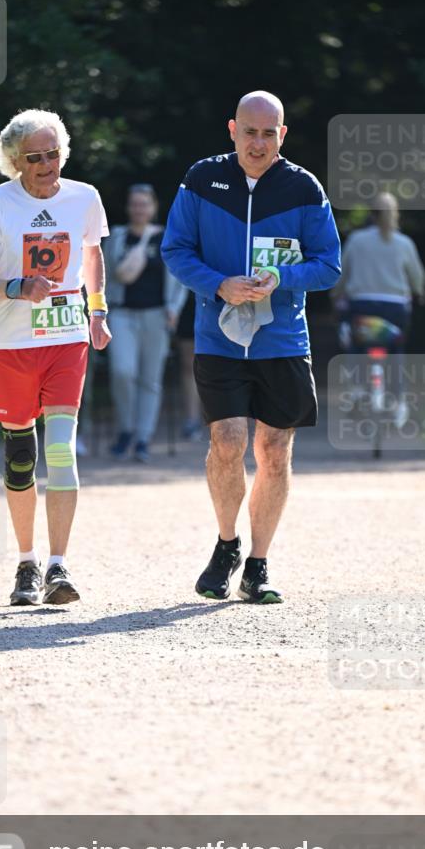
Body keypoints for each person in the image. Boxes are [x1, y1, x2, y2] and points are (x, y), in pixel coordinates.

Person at [161, 90, 341, 604]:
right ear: (232, 129)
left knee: (274, 451)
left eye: (268, 133)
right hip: (219, 336)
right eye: (249, 131)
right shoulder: (201, 180)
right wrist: (218, 284)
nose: (258, 142)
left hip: (282, 341)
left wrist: (279, 277)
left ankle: (258, 564)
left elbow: (328, 264)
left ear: (281, 135)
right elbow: (175, 248)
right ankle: (226, 545)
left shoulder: (304, 188)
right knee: (227, 441)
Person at [0, 108, 111, 606]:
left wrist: (97, 311)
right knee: (21, 458)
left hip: (66, 338)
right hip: (11, 344)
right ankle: (26, 562)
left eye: (53, 154)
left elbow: (91, 253)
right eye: (35, 157)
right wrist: (18, 286)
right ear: (14, 161)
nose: (47, 164)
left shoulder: (84, 198)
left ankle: (58, 565)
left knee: (63, 447)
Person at [104, 184, 187, 463]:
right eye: (135, 204)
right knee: (122, 371)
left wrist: (174, 309)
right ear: (129, 207)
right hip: (121, 313)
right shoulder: (116, 236)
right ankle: (126, 428)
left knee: (150, 380)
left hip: (156, 315)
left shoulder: (166, 238)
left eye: (144, 204)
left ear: (153, 207)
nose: (139, 209)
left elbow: (180, 279)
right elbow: (104, 273)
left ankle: (142, 438)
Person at [332, 193, 425, 427]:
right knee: (396, 349)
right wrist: (419, 292)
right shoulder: (404, 243)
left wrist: (336, 294)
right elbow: (417, 277)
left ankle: (356, 390)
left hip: (362, 305)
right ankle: (400, 401)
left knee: (355, 344)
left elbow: (342, 274)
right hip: (395, 308)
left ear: (371, 215)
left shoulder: (356, 240)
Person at [175, 289, 203, 440]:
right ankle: (192, 419)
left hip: (222, 295)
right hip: (188, 297)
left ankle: (224, 416)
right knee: (189, 364)